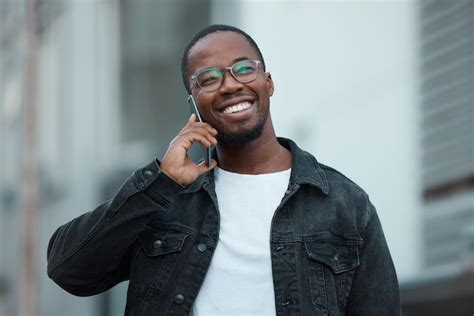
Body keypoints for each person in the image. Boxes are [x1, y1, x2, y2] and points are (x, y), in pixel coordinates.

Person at [47, 24, 400, 316]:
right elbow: (69, 270)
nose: (230, 85)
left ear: (269, 83)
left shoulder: (345, 205)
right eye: (209, 78)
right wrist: (159, 185)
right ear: (193, 105)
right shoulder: (167, 200)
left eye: (244, 69)